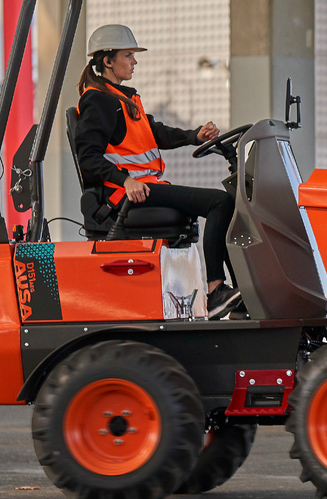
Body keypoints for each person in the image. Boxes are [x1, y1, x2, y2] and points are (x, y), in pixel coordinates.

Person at [73, 24, 240, 318]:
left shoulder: (122, 98)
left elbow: (156, 133)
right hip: (126, 196)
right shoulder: (97, 101)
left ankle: (227, 290)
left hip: (144, 187)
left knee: (223, 203)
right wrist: (125, 181)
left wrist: (194, 136)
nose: (134, 61)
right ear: (107, 61)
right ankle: (215, 289)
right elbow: (87, 157)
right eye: (128, 55)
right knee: (220, 202)